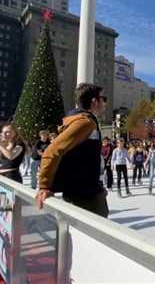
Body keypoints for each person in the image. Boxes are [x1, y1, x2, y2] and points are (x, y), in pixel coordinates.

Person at [36, 83, 109, 217]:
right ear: (94, 101)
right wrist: (44, 186)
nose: (105, 103)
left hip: (81, 194)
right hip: (86, 199)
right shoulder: (85, 122)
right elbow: (52, 151)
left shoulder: (82, 121)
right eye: (104, 99)